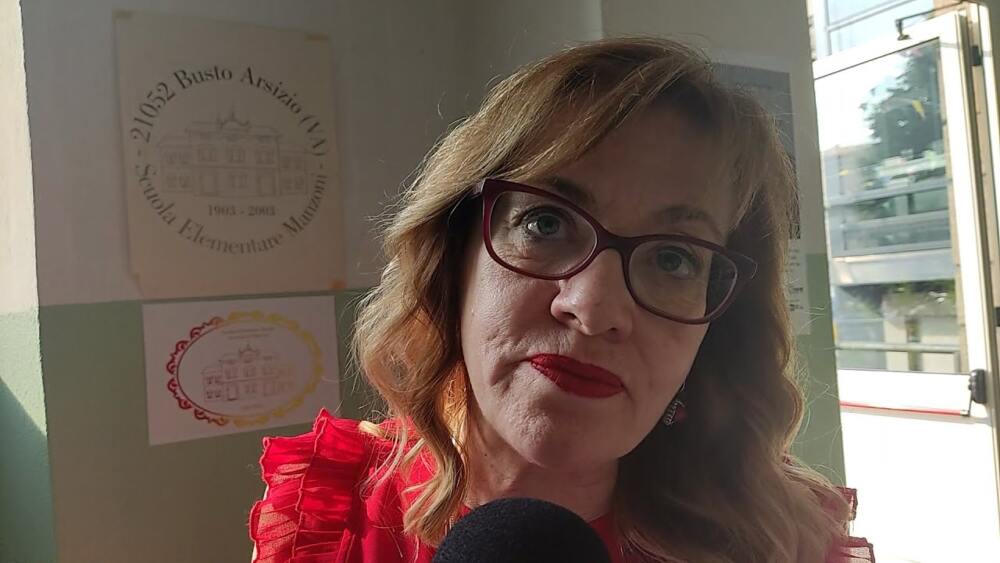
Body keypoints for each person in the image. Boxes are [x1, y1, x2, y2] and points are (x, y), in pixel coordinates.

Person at [249, 37, 874, 562]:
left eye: (673, 258)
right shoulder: (331, 519)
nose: (594, 308)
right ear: (453, 257)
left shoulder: (787, 542)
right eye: (545, 224)